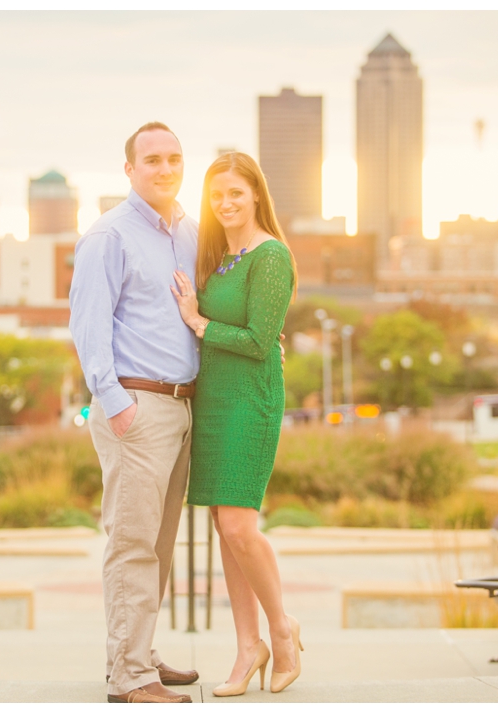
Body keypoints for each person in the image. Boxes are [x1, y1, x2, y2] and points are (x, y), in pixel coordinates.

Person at [69, 122, 199, 704]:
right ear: (129, 169)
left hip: (180, 408)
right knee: (131, 544)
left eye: (173, 158)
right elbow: (87, 326)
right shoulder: (109, 236)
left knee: (159, 544)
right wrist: (116, 404)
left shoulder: (187, 232)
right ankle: (129, 678)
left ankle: (138, 652)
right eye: (152, 160)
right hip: (137, 406)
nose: (165, 168)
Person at [169, 152, 303, 697]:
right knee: (226, 529)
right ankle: (248, 648)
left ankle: (282, 630)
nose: (225, 204)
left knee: (241, 526)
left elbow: (256, 340)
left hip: (251, 401)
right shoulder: (220, 256)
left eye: (235, 194)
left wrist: (198, 321)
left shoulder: (270, 255)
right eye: (216, 196)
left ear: (255, 196)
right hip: (214, 402)